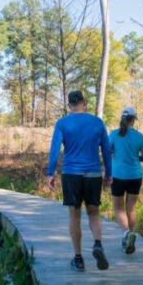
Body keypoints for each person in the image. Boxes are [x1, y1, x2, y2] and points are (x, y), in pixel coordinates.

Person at [47, 90, 112, 272]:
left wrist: (50, 172)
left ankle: (78, 259)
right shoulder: (97, 122)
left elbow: (54, 150)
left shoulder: (62, 123)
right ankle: (97, 243)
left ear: (69, 106)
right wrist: (108, 173)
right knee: (94, 213)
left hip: (71, 174)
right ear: (84, 103)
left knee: (74, 216)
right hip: (93, 173)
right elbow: (106, 150)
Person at [110, 107, 143, 254]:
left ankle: (126, 234)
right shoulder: (139, 136)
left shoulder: (114, 134)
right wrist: (136, 157)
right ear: (133, 120)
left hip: (118, 175)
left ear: (122, 119)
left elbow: (107, 153)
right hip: (135, 176)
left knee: (118, 208)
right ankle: (130, 234)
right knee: (131, 208)